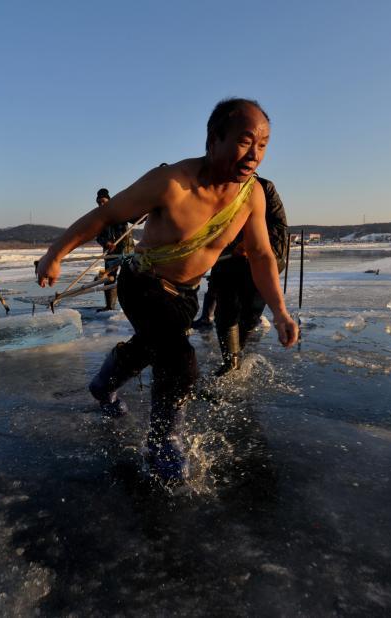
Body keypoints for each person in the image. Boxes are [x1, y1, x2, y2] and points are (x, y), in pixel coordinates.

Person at [36, 98, 299, 483]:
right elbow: (106, 215)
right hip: (142, 283)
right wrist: (55, 252)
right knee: (178, 359)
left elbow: (260, 255)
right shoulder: (172, 183)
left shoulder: (252, 195)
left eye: (263, 145)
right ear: (214, 139)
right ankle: (162, 442)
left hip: (186, 292)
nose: (254, 154)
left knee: (151, 345)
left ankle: (103, 384)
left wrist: (279, 310)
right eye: (245, 142)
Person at [207, 176, 288, 374]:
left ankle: (239, 351)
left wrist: (252, 243)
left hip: (260, 263)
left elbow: (279, 228)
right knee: (226, 312)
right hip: (227, 263)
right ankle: (231, 361)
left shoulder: (264, 188)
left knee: (251, 313)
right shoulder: (215, 188)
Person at [93, 188, 134, 311]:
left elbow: (133, 219)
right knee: (108, 278)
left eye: (103, 201)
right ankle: (109, 306)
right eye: (99, 202)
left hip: (127, 251)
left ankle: (132, 306)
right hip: (110, 254)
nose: (101, 204)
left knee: (129, 278)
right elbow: (98, 237)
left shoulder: (119, 212)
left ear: (109, 201)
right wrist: (106, 243)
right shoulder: (99, 218)